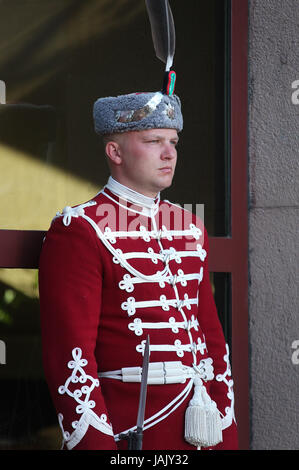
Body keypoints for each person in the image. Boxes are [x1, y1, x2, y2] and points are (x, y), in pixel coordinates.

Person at [38, 90, 238, 450]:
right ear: (115, 152)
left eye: (173, 141)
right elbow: (70, 357)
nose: (169, 153)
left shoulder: (190, 227)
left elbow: (211, 339)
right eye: (153, 141)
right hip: (132, 430)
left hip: (202, 425)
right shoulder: (80, 228)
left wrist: (226, 428)